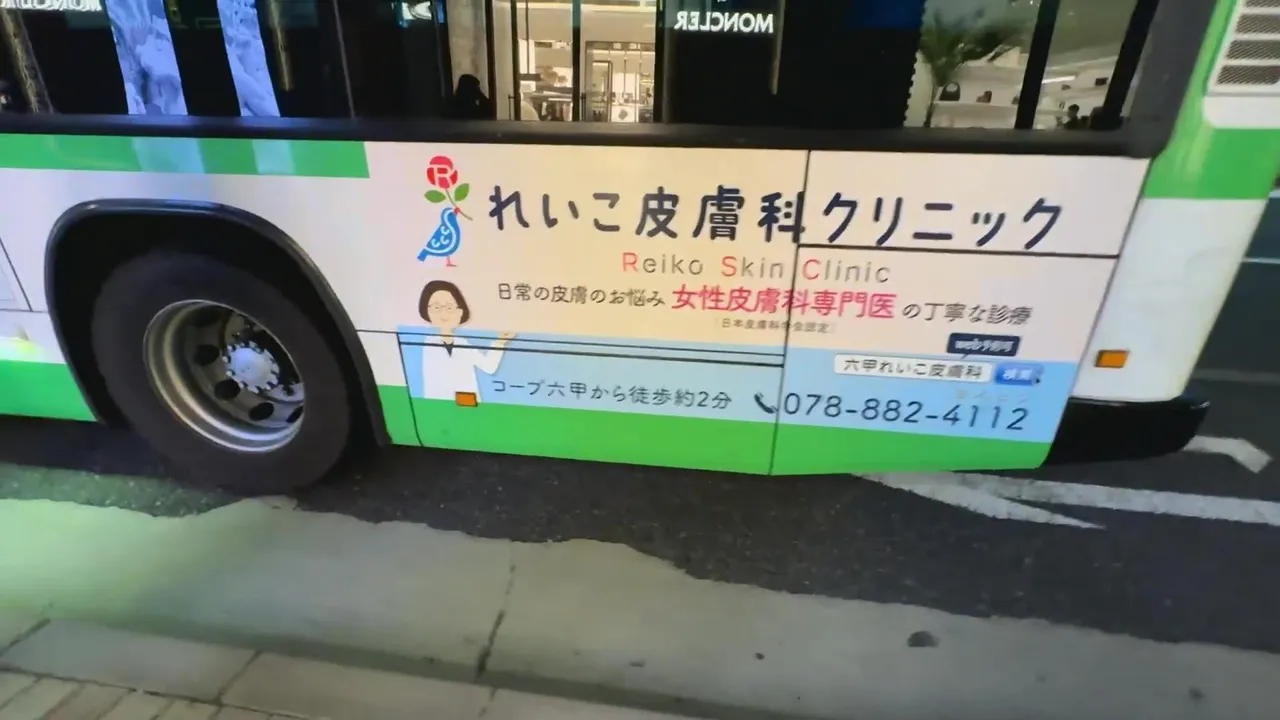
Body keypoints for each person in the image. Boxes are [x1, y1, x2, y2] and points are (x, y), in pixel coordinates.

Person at [417, 280, 514, 402]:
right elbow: (433, 384)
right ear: (427, 311)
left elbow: (489, 367)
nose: (443, 313)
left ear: (460, 312)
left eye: (449, 308)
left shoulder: (463, 343)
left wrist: (500, 342)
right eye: (436, 308)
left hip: (468, 403)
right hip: (440, 406)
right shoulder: (429, 344)